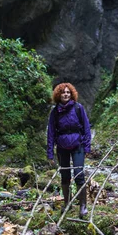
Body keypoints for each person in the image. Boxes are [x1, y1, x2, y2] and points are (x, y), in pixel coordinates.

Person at [47, 82, 91, 217]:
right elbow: (51, 133)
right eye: (63, 92)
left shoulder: (79, 108)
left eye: (68, 92)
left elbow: (86, 128)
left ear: (71, 94)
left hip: (78, 146)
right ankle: (67, 203)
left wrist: (87, 147)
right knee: (65, 176)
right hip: (61, 147)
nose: (66, 94)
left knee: (79, 174)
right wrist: (50, 154)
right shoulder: (55, 112)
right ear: (58, 95)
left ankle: (83, 205)